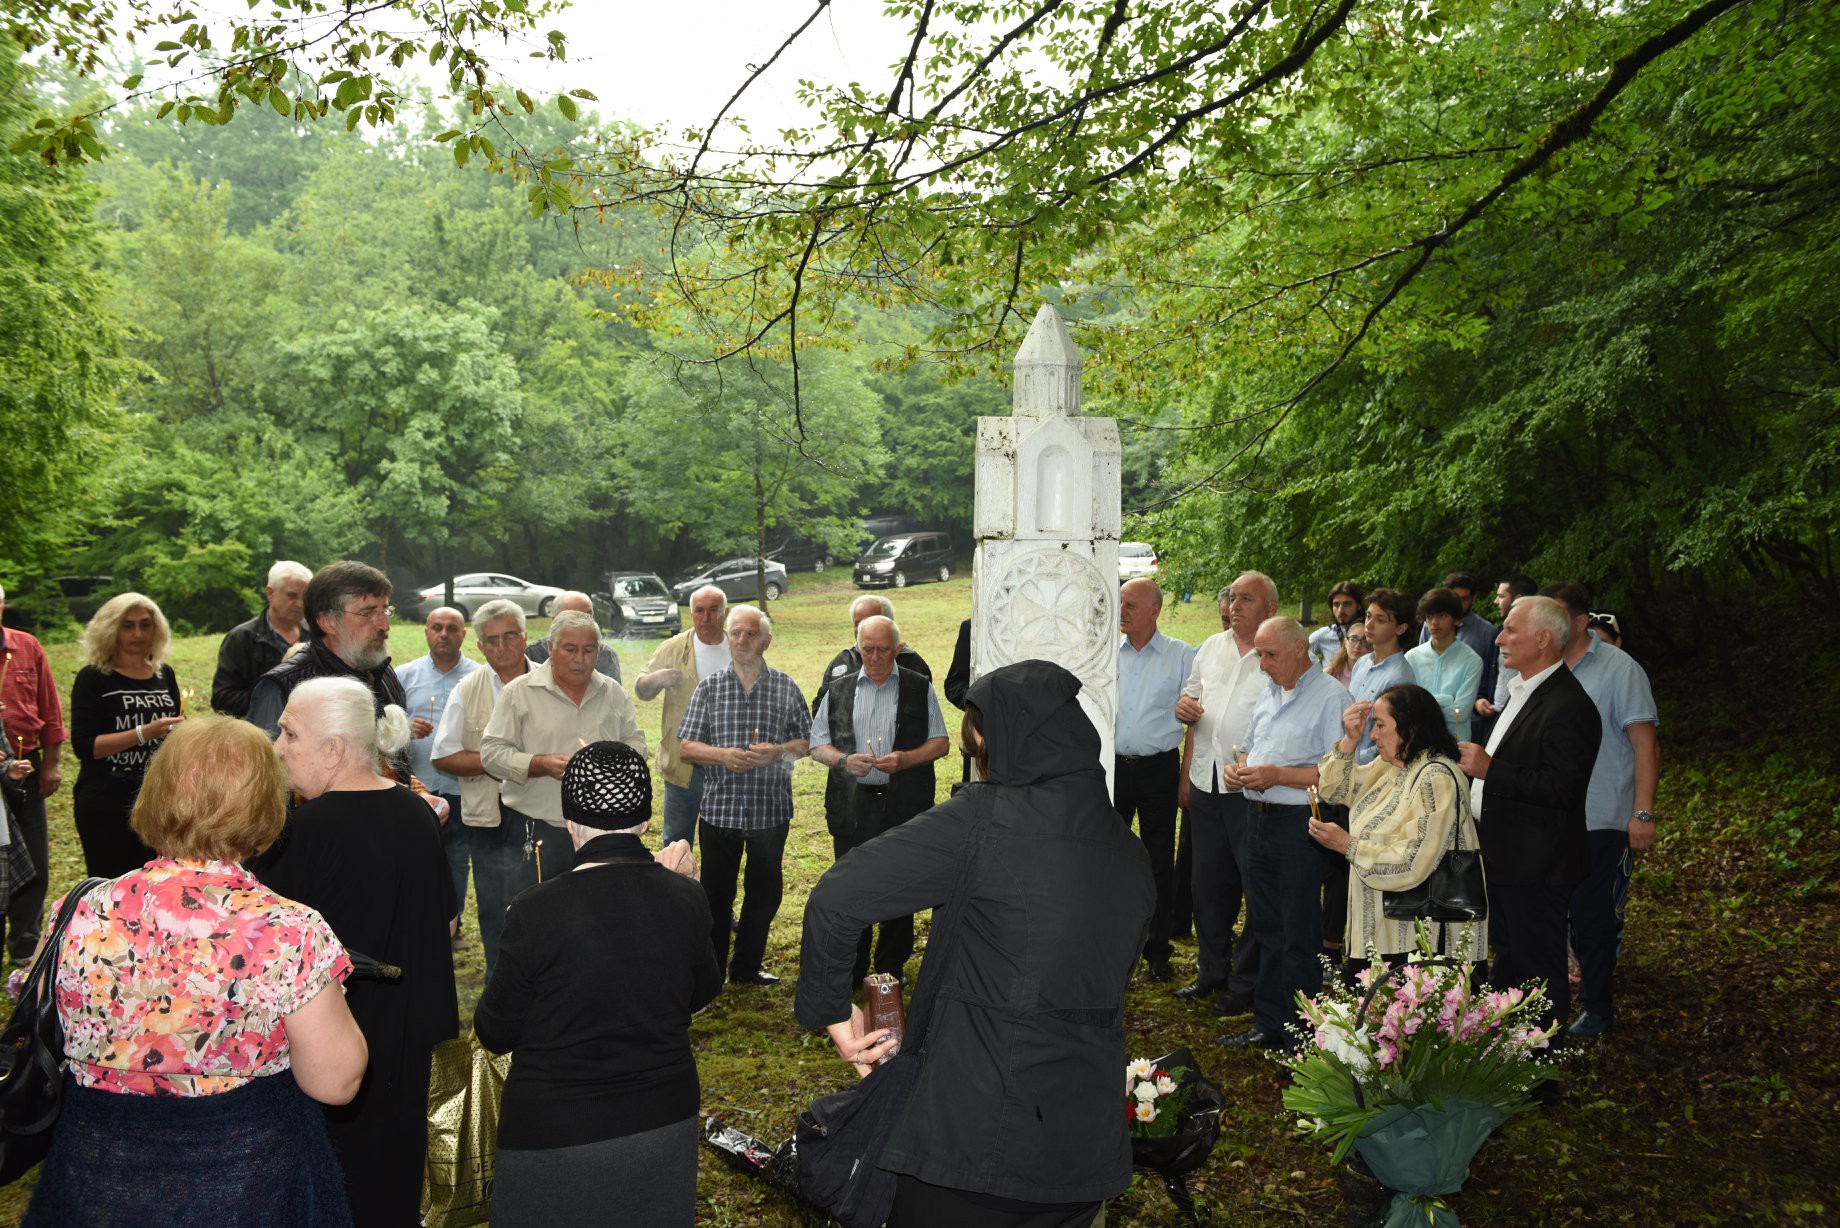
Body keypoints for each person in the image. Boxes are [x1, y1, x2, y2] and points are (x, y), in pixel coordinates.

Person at [796, 660, 1155, 1228]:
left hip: (968, 1134)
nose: (978, 759)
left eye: (979, 745)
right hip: (1080, 1147)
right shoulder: (1130, 852)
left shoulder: (985, 820)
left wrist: (832, 1012)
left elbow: (838, 897)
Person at [24, 716, 366, 1226]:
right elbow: (335, 1082)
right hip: (246, 1181)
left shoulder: (76, 909)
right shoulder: (287, 929)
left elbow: (43, 1018)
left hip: (97, 1178)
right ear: (267, 807)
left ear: (157, 791)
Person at [474, 742, 718, 1228]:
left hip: (554, 1132)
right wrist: (685, 889)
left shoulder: (535, 910)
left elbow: (495, 1031)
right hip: (663, 1117)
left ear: (571, 826)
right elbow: (702, 992)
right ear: (646, 823)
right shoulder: (685, 897)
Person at [255, 677, 459, 1227]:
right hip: (413, 1038)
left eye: (289, 733)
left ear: (334, 749)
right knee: (395, 1189)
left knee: (340, 1191)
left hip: (341, 1047)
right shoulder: (417, 813)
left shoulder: (301, 832)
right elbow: (447, 923)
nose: (277, 746)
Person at [1457, 596, 1601, 1036]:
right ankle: (1506, 1058)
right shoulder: (1524, 690)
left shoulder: (1569, 706)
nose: (1499, 638)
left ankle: (1540, 1066)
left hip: (1537, 865)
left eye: (1510, 630)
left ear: (1542, 639)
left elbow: (1562, 788)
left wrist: (1490, 769)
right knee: (1510, 959)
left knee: (1539, 969)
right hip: (1504, 857)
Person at [1219, 617, 1350, 1051]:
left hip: (1299, 825)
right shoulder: (1270, 692)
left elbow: (1336, 775)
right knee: (1266, 925)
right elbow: (1251, 745)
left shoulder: (1332, 697)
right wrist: (1240, 768)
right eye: (1259, 654)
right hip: (1257, 817)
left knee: (1298, 931)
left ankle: (1302, 1031)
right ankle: (1269, 1022)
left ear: (1299, 649)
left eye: (1269, 654)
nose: (1262, 664)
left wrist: (1277, 774)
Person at [808, 614, 950, 986]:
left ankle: (891, 965)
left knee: (899, 885)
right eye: (866, 649)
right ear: (857, 647)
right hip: (851, 808)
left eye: (882, 650)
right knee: (851, 887)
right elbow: (816, 744)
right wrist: (842, 760)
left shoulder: (919, 687)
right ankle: (852, 968)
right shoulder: (838, 689)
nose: (874, 658)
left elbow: (941, 743)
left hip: (902, 807)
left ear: (897, 649)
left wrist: (905, 759)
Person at [1543, 584, 1659, 1039]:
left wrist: (1643, 814)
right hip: (1550, 816)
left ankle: (1597, 1007)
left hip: (1601, 817)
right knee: (1552, 915)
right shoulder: (1544, 668)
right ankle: (1545, 1002)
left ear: (1578, 622)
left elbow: (1644, 743)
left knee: (1593, 917)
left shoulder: (1620, 670)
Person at [677, 605, 811, 986]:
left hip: (770, 811)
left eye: (750, 634)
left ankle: (746, 968)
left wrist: (778, 752)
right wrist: (722, 756)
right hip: (720, 812)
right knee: (715, 897)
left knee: (764, 895)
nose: (741, 641)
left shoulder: (785, 686)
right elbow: (686, 747)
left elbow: (809, 742)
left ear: (765, 641)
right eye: (735, 633)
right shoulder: (711, 686)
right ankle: (714, 971)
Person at [1309, 684, 1486, 963]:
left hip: (1416, 941)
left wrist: (1347, 845)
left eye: (1380, 724)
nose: (1372, 734)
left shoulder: (1435, 778)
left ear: (1409, 727)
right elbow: (1334, 789)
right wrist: (1348, 742)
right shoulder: (1392, 766)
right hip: (1380, 932)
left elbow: (1412, 862)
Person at [482, 609, 647, 886]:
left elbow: (637, 742)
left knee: (594, 912)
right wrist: (540, 764)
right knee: (537, 914)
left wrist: (609, 766)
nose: (580, 660)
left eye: (588, 650)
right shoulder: (519, 692)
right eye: (570, 649)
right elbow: (491, 754)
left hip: (601, 830)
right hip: (537, 828)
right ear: (550, 647)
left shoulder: (612, 692)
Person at [1173, 573, 1274, 1016]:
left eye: (1246, 599)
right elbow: (1191, 704)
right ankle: (1211, 970)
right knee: (1207, 883)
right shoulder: (1210, 648)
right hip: (1205, 778)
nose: (1235, 605)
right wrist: (1184, 708)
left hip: (1251, 789)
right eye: (1232, 598)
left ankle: (1246, 980)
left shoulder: (1279, 652)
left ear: (1270, 608)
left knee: (1254, 884)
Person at [431, 599, 535, 978]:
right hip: (487, 815)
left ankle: (545, 978)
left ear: (525, 638)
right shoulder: (467, 688)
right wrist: (511, 760)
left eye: (510, 636)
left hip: (543, 813)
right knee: (494, 903)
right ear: (479, 647)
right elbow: (443, 756)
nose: (502, 647)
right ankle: (499, 982)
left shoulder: (550, 681)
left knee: (543, 897)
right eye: (491, 641)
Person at [1114, 577, 1197, 983]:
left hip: (1158, 768)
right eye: (1121, 603)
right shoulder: (1107, 654)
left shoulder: (1182, 656)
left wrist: (1185, 776)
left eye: (1130, 604)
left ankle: (1157, 948)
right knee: (1111, 856)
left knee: (1158, 859)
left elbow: (1196, 718)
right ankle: (1111, 945)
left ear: (1154, 610)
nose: (1122, 611)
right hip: (1111, 768)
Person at [69, 592, 184, 877]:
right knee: (111, 884)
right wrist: (143, 733)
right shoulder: (93, 678)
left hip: (155, 797)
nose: (138, 633)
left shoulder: (163, 674)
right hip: (106, 799)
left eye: (145, 625)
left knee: (154, 881)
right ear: (110, 629)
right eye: (128, 625)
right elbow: (85, 746)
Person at [249, 561, 407, 744]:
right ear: (327, 621)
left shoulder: (384, 674)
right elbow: (265, 768)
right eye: (368, 612)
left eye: (385, 610)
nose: (384, 625)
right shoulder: (284, 686)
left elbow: (398, 759)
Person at [632, 584, 730, 848]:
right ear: (691, 613)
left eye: (713, 611)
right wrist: (657, 679)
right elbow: (641, 689)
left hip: (727, 762)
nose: (706, 618)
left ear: (726, 612)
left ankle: (711, 888)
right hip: (683, 763)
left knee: (722, 841)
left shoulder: (738, 645)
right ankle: (677, 886)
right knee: (676, 839)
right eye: (699, 611)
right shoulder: (673, 648)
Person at [0, 579, 67, 965]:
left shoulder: (26, 646)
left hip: (28, 764)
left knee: (34, 857)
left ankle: (25, 943)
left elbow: (50, 709)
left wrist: (53, 764)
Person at [398, 606, 479, 910]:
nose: (443, 634)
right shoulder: (404, 675)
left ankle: (451, 924)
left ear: (464, 634)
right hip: (418, 786)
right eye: (437, 627)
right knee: (416, 859)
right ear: (426, 632)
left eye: (452, 628)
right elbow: (384, 727)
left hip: (462, 785)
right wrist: (405, 727)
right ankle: (420, 920)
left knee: (457, 860)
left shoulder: (479, 677)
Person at [212, 560, 310, 718]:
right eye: (292, 595)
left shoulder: (316, 636)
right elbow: (222, 699)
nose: (299, 604)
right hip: (259, 734)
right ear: (270, 593)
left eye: (305, 597)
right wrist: (274, 697)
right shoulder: (242, 638)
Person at [811, 594, 931, 714]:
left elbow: (924, 712)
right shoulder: (842, 662)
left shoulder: (910, 661)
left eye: (869, 621)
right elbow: (819, 711)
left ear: (890, 624)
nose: (861, 629)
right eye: (857, 623)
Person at [1347, 588, 1418, 762]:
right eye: (1368, 616)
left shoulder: (1400, 678)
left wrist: (1357, 759)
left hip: (1371, 770)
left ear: (1400, 628)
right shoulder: (1362, 662)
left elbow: (1395, 740)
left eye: (1380, 620)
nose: (1369, 625)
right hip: (1347, 758)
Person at [1406, 587, 1483, 742]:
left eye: (1442, 616)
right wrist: (1448, 699)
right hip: (1416, 743)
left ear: (1456, 619)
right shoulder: (1412, 657)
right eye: (1429, 616)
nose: (1434, 623)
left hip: (1455, 746)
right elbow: (1406, 707)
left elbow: (1461, 713)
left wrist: (1423, 703)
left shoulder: (1472, 660)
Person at [527, 590, 622, 683]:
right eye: (573, 618)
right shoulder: (533, 653)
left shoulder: (606, 655)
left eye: (588, 616)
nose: (582, 623)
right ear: (554, 621)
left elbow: (612, 695)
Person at [1307, 580, 1365, 669]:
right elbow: (1296, 657)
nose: (1341, 610)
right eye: (1336, 605)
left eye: (1347, 604)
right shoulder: (1323, 635)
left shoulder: (1370, 634)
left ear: (1359, 605)